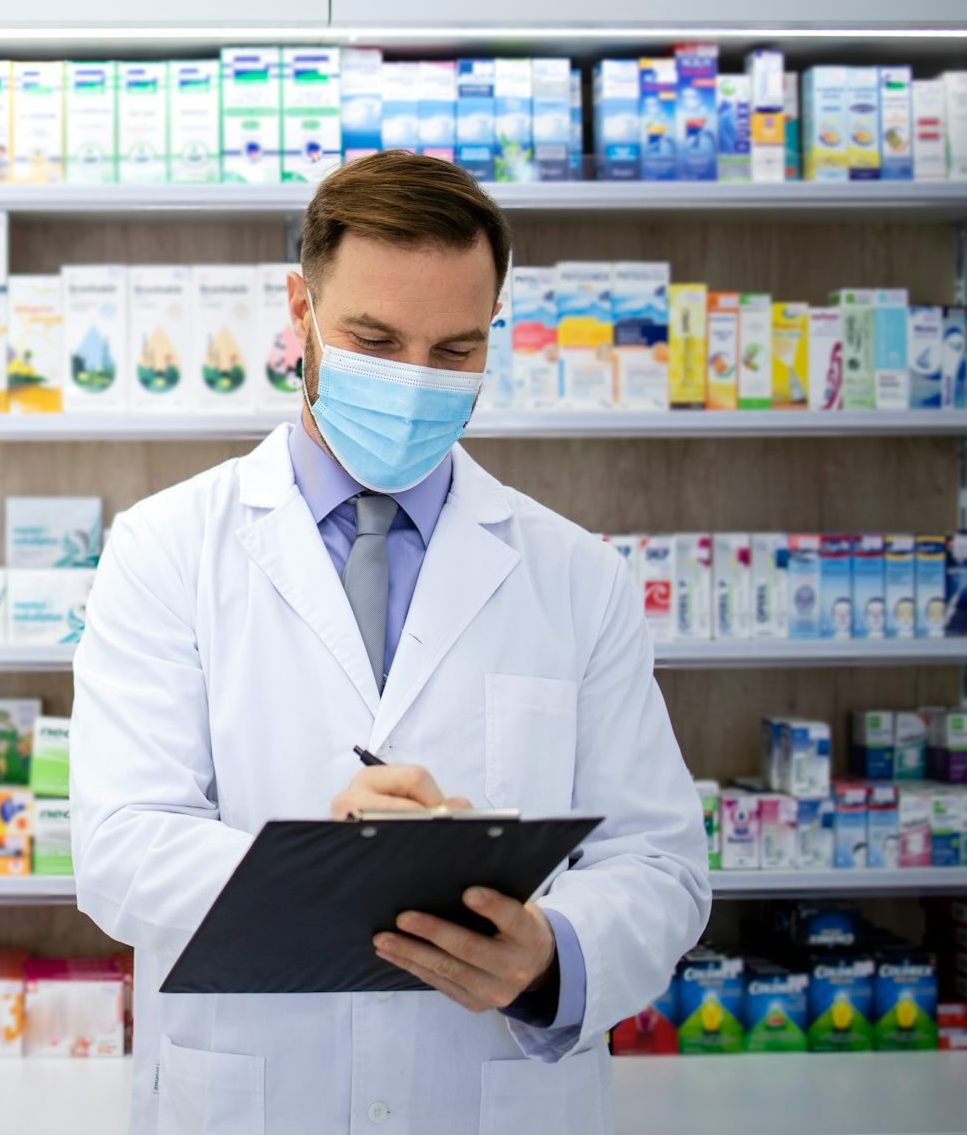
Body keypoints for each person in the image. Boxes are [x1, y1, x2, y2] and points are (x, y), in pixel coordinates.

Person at [72, 152, 709, 1134]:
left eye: (454, 351)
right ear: (302, 308)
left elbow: (661, 864)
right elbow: (120, 847)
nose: (413, 383)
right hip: (255, 1097)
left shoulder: (577, 575)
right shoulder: (166, 548)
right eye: (374, 338)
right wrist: (332, 874)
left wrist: (549, 952)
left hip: (492, 1091)